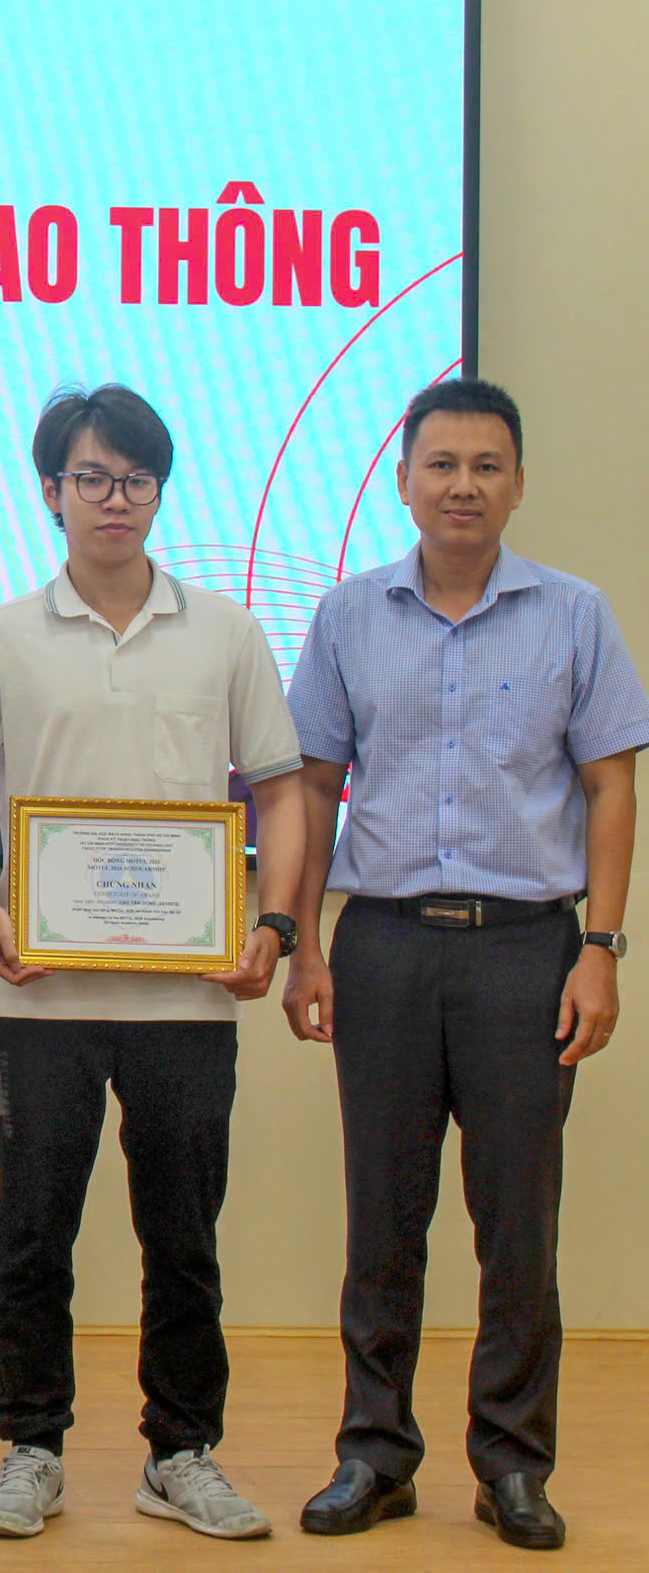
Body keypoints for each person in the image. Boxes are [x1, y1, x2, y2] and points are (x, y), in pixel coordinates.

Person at [0, 385, 304, 1543]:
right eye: (90, 478)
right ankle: (30, 1449)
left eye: (135, 479)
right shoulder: (2, 636)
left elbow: (281, 788)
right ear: (52, 492)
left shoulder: (226, 632)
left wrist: (273, 926)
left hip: (189, 999)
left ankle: (180, 1453)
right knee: (32, 1233)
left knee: (182, 1239)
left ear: (158, 491)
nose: (114, 499)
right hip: (38, 996)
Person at [284, 378, 647, 1552]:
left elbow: (609, 787)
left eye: (486, 466)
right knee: (382, 1219)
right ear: (403, 480)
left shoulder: (574, 615)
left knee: (517, 1225)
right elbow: (314, 788)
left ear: (518, 483)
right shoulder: (348, 616)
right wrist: (301, 944)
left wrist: (599, 950)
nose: (462, 486)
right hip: (384, 944)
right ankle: (372, 1455)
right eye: (440, 464)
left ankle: (513, 1465)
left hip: (527, 952)